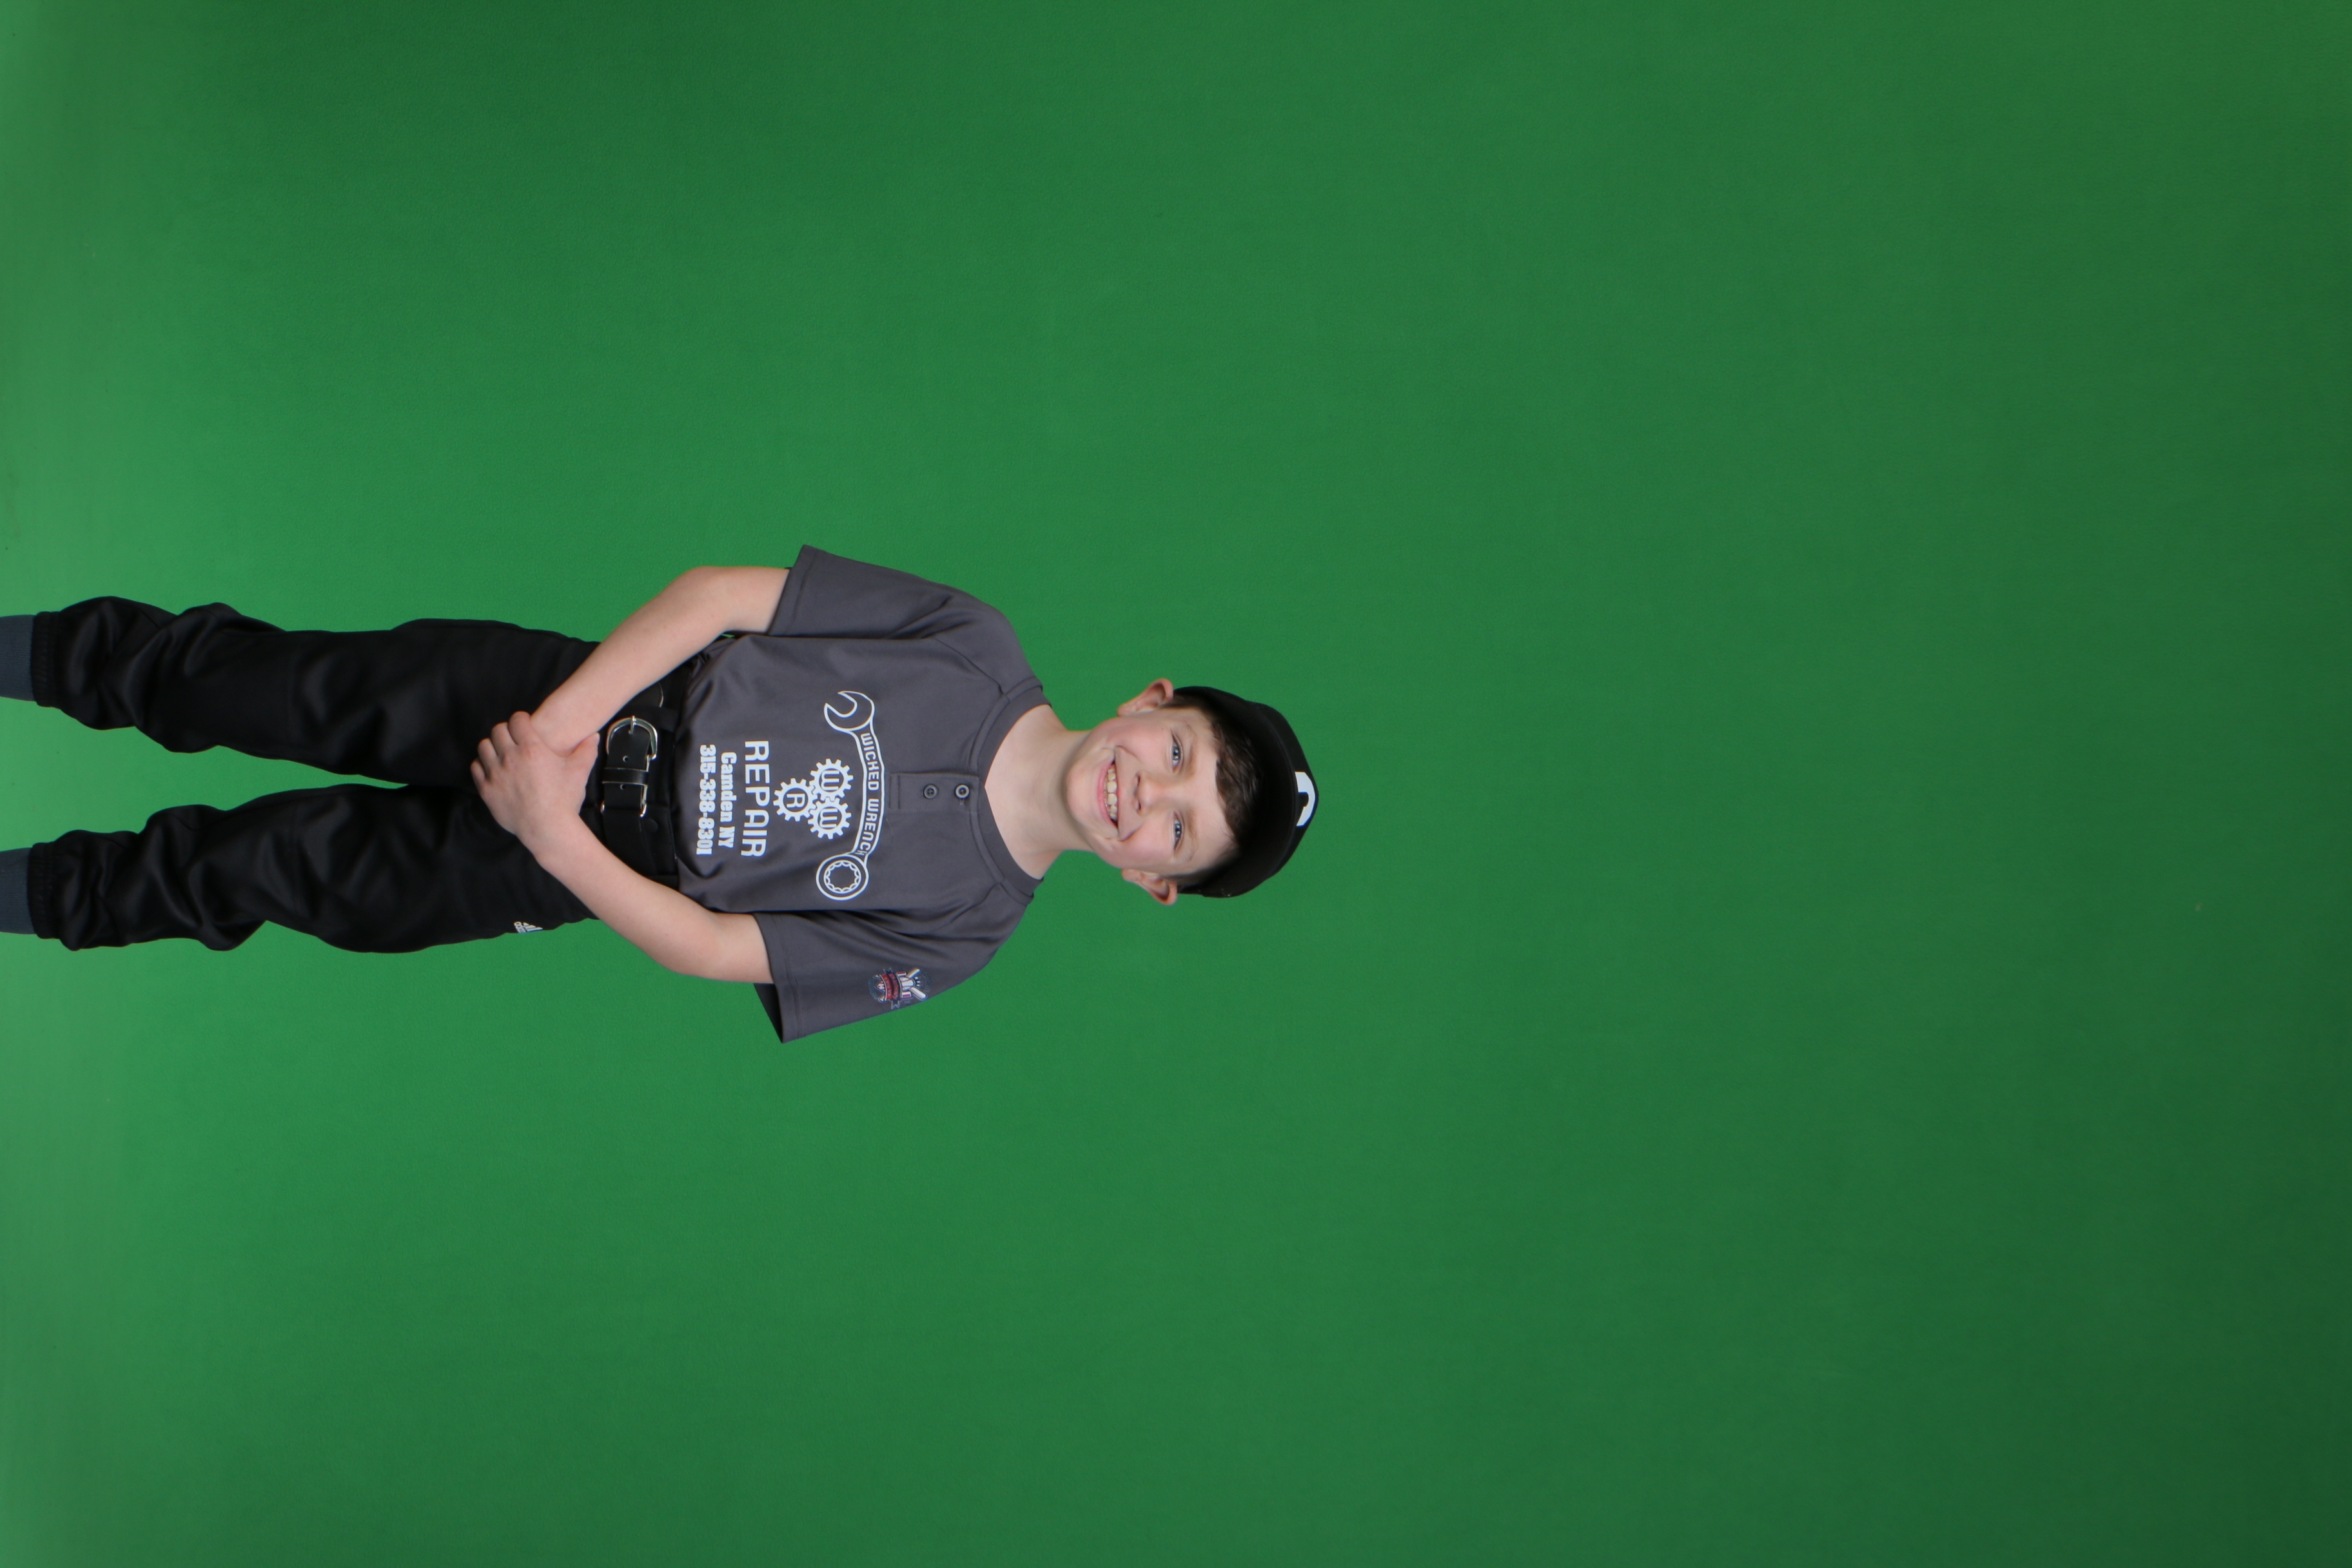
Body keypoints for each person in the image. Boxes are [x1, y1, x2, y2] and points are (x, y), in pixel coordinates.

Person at [0, 549, 1318, 1039]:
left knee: (245, 875)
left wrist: (548, 832)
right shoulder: (971, 640)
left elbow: (715, 947)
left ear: (1152, 879)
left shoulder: (961, 934)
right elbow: (723, 597)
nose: (1148, 793)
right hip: (564, 701)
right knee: (249, 684)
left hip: (556, 864)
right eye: (1177, 753)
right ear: (1150, 701)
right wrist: (557, 733)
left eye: (1178, 830)